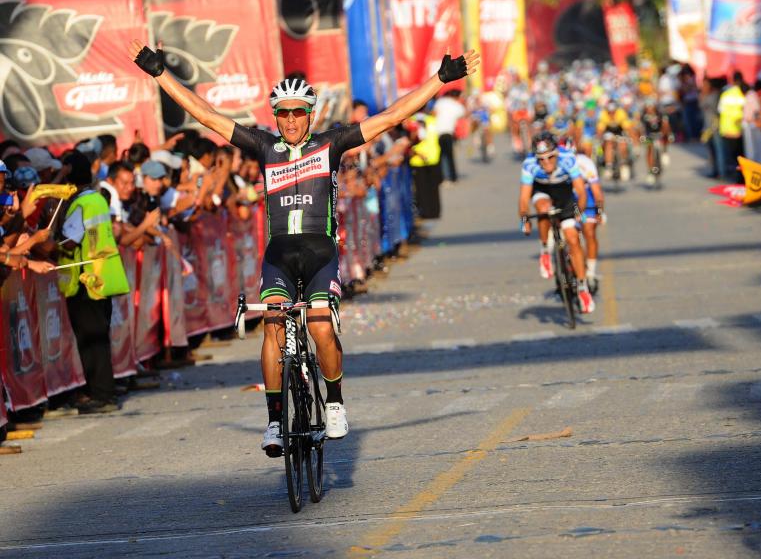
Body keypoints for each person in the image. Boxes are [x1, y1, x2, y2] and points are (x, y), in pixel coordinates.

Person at [129, 39, 478, 454]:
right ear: (275, 117)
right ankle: (276, 421)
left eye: (297, 112)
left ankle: (334, 402)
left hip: (320, 254)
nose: (290, 120)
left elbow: (391, 116)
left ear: (309, 115)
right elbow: (204, 114)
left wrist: (438, 80)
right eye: (283, 113)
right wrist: (159, 72)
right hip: (279, 255)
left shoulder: (330, 144)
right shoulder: (263, 147)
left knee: (320, 327)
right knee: (273, 326)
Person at [57, 151, 130, 414]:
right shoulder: (97, 199)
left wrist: (49, 243)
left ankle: (102, 395)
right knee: (99, 338)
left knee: (91, 341)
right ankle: (102, 390)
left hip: (86, 280)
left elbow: (71, 241)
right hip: (101, 278)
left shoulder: (80, 204)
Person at [519, 132, 595, 314]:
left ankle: (583, 288)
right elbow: (523, 198)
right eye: (541, 159)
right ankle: (545, 250)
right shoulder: (529, 164)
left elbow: (581, 192)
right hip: (542, 190)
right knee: (543, 208)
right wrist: (524, 220)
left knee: (573, 239)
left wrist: (578, 212)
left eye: (550, 157)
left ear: (557, 153)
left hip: (564, 193)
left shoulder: (568, 158)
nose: (546, 163)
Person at [574, 135, 605, 292]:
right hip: (569, 201)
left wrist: (600, 211)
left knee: (589, 232)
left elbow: (597, 191)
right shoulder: (554, 165)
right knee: (570, 238)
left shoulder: (585, 163)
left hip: (588, 203)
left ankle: (591, 272)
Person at [717, 73, 747, 180]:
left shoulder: (725, 94)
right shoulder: (743, 94)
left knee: (733, 157)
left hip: (726, 129)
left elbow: (720, 110)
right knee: (741, 156)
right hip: (739, 130)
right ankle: (741, 178)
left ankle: (736, 176)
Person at [433, 89, 466, 183]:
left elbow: (434, 113)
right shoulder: (456, 105)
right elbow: (463, 114)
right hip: (448, 133)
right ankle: (453, 177)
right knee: (449, 156)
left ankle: (440, 178)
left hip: (437, 132)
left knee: (439, 156)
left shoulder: (440, 102)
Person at [638, 100, 673, 187]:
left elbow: (666, 125)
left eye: (651, 106)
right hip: (649, 136)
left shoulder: (660, 114)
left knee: (667, 138)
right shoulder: (643, 116)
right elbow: (641, 128)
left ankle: (665, 152)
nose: (649, 109)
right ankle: (650, 171)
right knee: (648, 148)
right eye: (648, 107)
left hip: (660, 133)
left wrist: (668, 134)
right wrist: (641, 137)